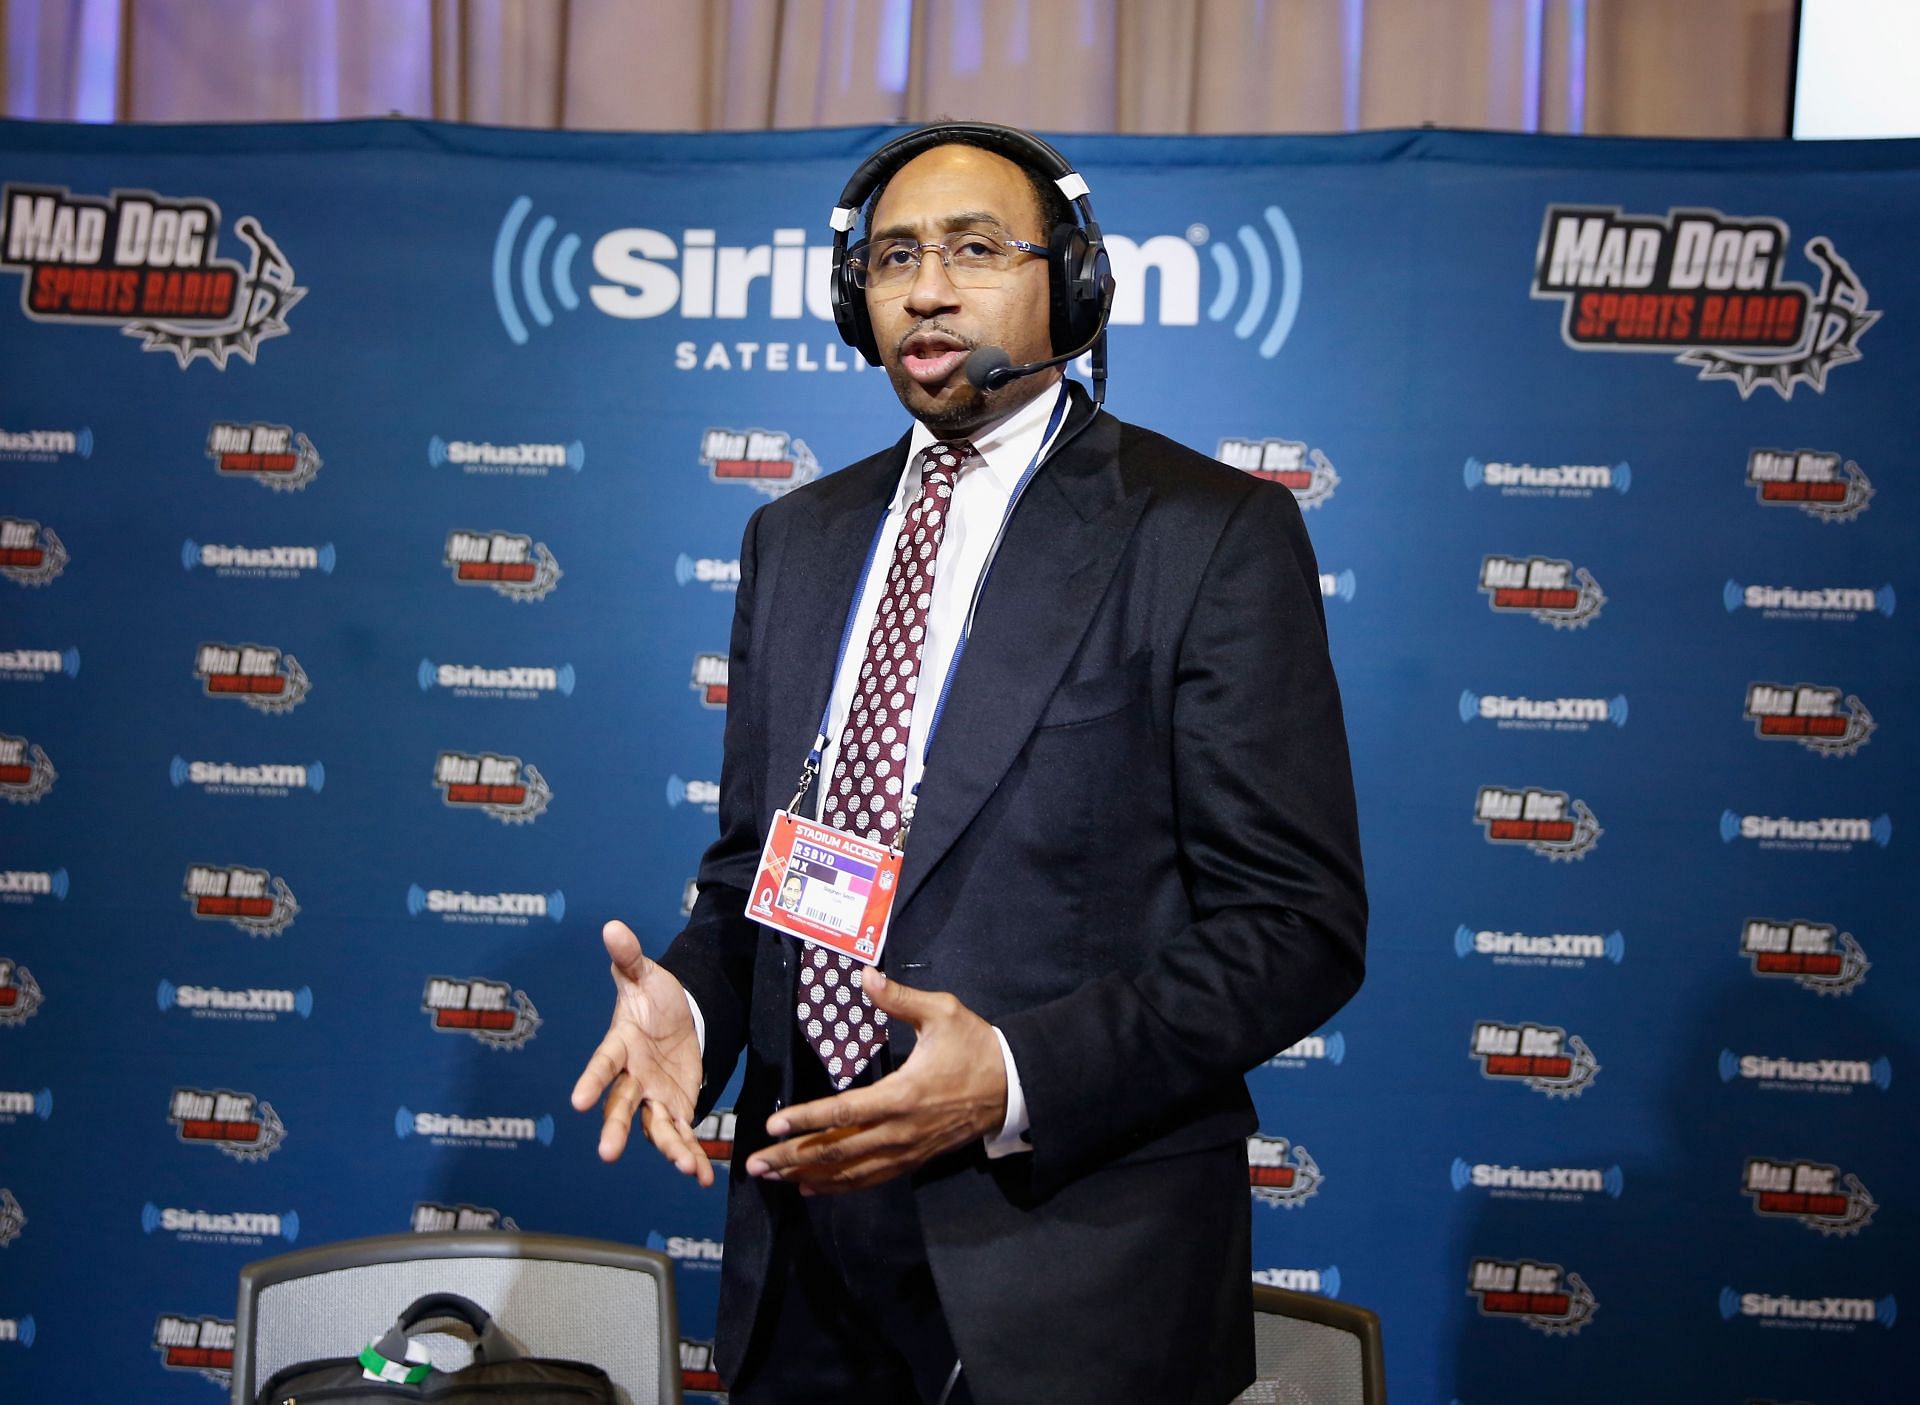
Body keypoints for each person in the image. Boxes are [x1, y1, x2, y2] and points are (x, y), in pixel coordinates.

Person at [571, 122, 1367, 1404]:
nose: (926, 289)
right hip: (806, 1254)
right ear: (855, 299)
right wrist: (701, 1002)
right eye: (891, 258)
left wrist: (1010, 1074)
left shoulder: (1209, 533)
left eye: (975, 250)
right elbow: (756, 873)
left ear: (1075, 282)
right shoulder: (797, 538)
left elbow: (1298, 925)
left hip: (1070, 1272)